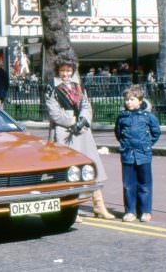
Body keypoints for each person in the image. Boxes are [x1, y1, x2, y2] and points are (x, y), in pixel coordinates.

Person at [45, 59, 114, 221]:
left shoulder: (78, 86)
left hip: (82, 131)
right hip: (64, 132)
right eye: (62, 71)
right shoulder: (52, 88)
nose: (65, 74)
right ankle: (71, 209)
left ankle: (99, 206)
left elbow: (86, 105)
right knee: (70, 171)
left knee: (92, 167)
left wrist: (83, 120)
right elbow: (54, 112)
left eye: (69, 71)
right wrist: (71, 122)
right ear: (57, 71)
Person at [114, 85, 161, 222]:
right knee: (128, 185)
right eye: (127, 100)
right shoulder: (122, 117)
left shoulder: (148, 116)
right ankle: (130, 211)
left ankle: (145, 211)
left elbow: (156, 132)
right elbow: (118, 133)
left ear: (140, 101)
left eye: (132, 99)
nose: (129, 102)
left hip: (143, 155)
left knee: (144, 184)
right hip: (127, 154)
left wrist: (147, 144)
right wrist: (125, 144)